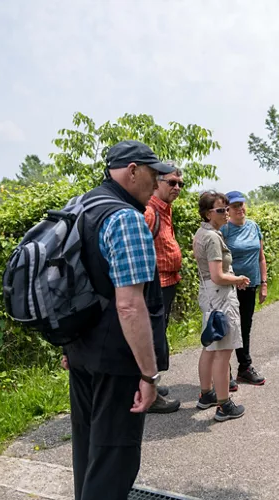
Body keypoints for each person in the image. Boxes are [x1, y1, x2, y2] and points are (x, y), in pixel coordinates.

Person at [63, 140, 174, 500]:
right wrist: (148, 374)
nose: (157, 182)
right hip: (116, 360)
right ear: (132, 171)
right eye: (153, 173)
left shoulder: (81, 205)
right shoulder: (126, 218)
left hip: (80, 350)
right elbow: (129, 306)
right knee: (114, 461)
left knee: (89, 449)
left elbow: (65, 283)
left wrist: (67, 343)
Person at [193, 191, 249, 421]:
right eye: (220, 210)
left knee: (210, 347)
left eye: (226, 209)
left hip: (208, 295)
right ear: (208, 213)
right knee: (223, 352)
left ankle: (206, 394)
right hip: (220, 296)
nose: (226, 213)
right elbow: (218, 275)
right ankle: (223, 405)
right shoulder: (213, 238)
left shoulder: (202, 233)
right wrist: (239, 279)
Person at [142, 162, 185, 414]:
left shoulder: (165, 210)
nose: (177, 187)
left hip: (167, 283)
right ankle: (151, 394)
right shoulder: (150, 212)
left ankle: (152, 385)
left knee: (158, 334)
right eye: (171, 182)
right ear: (156, 183)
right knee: (152, 339)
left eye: (180, 184)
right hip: (154, 286)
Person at [221, 191, 268, 387]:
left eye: (241, 204)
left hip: (250, 284)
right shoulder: (224, 229)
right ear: (227, 210)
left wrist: (263, 283)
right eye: (234, 206)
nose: (239, 208)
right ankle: (225, 372)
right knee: (229, 327)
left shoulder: (254, 226)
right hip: (230, 287)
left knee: (245, 327)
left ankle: (244, 368)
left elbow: (261, 257)